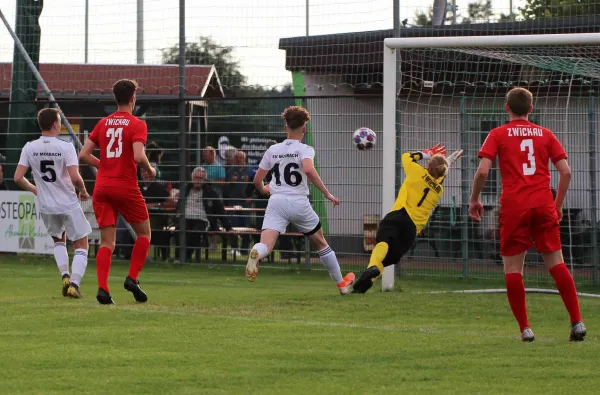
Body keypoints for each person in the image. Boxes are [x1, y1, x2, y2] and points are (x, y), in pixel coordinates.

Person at [469, 87, 586, 342]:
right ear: (531, 109)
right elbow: (565, 171)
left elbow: (482, 172)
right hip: (543, 203)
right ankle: (577, 322)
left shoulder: (497, 134)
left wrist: (475, 199)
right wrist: (557, 204)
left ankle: (525, 328)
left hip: (514, 206)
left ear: (506, 107)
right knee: (556, 263)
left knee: (513, 268)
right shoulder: (545, 134)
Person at [245, 106, 354, 295]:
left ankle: (256, 253)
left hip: (276, 201)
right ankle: (341, 285)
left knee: (267, 245)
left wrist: (264, 189)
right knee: (320, 242)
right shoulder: (305, 149)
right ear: (304, 129)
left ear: (285, 127)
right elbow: (309, 169)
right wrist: (327, 194)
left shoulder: (273, 149)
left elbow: (257, 180)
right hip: (298, 202)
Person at [78, 79, 156, 305]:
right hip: (125, 185)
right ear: (133, 98)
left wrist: (102, 164)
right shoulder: (137, 124)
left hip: (102, 187)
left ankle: (103, 289)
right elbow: (138, 156)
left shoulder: (103, 123)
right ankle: (132, 278)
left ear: (116, 98)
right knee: (144, 234)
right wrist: (150, 169)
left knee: (106, 243)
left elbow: (83, 155)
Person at [352, 145, 463, 293]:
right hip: (412, 229)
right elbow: (439, 176)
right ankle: (365, 284)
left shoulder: (416, 172)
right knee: (388, 259)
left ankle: (371, 268)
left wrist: (428, 153)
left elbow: (406, 156)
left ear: (428, 165)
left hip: (398, 215)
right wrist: (446, 162)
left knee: (383, 241)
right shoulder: (438, 190)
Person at [13, 108, 92, 298]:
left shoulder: (29, 147)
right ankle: (74, 284)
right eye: (59, 121)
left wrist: (35, 190)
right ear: (56, 124)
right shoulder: (65, 147)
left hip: (47, 205)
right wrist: (83, 190)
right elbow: (75, 177)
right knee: (82, 244)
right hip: (68, 204)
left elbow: (17, 177)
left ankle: (65, 275)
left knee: (59, 239)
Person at [179, 166, 232, 261]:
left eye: (201, 178)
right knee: (179, 230)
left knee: (195, 232)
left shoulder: (211, 193)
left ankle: (184, 258)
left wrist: (228, 227)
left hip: (202, 220)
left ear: (204, 180)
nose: (198, 180)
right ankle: (179, 257)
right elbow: (179, 205)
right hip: (185, 218)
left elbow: (220, 210)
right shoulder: (186, 189)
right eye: (196, 178)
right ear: (192, 178)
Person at [226, 151, 252, 256]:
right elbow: (225, 187)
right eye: (236, 158)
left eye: (239, 158)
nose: (237, 160)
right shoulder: (231, 170)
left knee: (246, 226)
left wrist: (251, 197)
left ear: (244, 159)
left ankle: (244, 250)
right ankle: (234, 248)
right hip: (233, 201)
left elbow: (257, 185)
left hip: (245, 202)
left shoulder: (250, 170)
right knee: (233, 224)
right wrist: (230, 181)